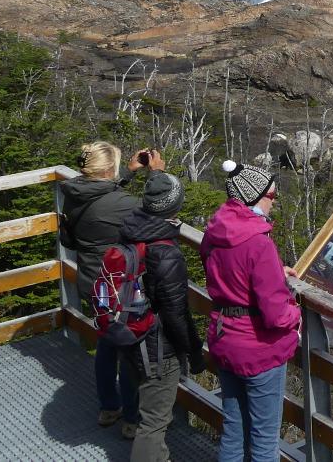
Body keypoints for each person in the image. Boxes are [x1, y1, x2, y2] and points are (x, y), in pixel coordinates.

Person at [59, 141, 162, 435]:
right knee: (129, 351)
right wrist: (156, 175)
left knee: (106, 343)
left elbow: (99, 196)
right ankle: (131, 419)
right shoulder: (122, 204)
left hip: (93, 284)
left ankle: (108, 406)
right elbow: (156, 212)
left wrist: (128, 173)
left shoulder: (73, 192)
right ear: (107, 170)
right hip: (119, 288)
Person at [201, 159, 300, 462]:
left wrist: (274, 271)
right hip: (258, 350)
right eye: (272, 195)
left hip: (225, 338)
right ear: (256, 197)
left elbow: (232, 272)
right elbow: (276, 315)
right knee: (264, 441)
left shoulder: (215, 230)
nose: (274, 202)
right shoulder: (259, 243)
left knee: (233, 428)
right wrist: (297, 314)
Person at [119, 171, 205, 462]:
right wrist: (194, 350)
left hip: (129, 332)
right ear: (175, 206)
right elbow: (175, 313)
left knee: (150, 411)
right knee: (154, 422)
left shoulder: (131, 229)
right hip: (156, 347)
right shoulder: (165, 253)